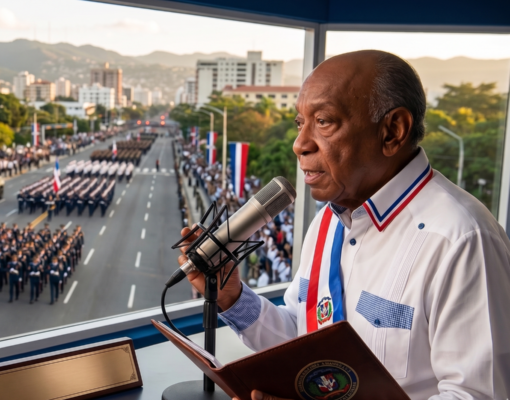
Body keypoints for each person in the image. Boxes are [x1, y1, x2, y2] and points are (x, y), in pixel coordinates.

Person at [184, 50, 510, 400]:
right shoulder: (327, 221)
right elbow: (301, 340)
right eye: (300, 123)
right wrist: (232, 297)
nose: (299, 144)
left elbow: (479, 394)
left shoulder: (461, 239)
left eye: (324, 121)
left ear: (392, 131)